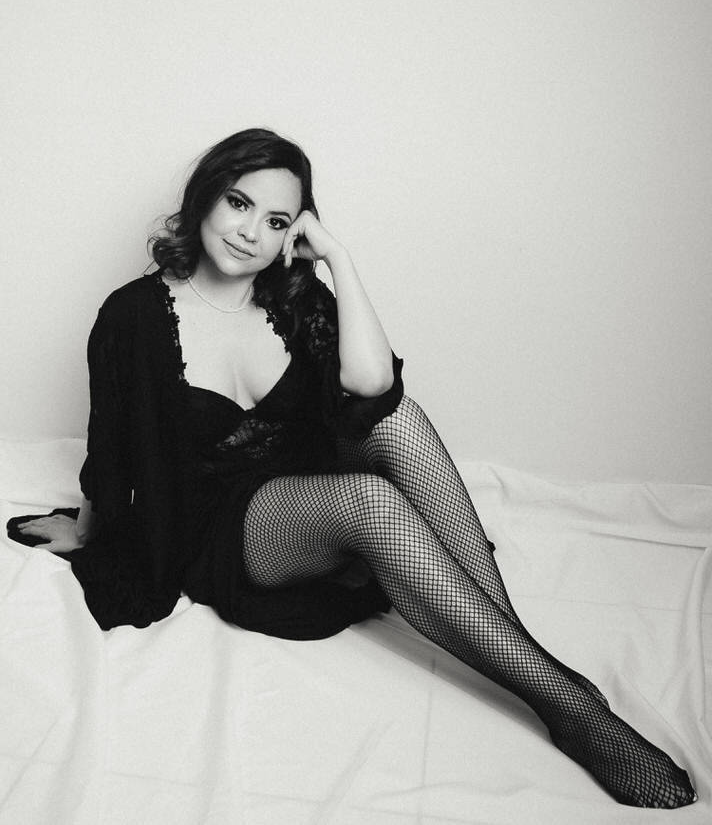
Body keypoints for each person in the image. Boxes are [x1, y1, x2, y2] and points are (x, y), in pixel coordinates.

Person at [7, 128, 697, 809]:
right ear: (206, 196)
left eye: (277, 221)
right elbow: (110, 444)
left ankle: (525, 660)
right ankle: (569, 704)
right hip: (221, 525)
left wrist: (338, 258)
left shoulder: (291, 296)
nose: (250, 232)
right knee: (371, 500)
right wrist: (90, 531)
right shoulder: (131, 316)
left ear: (295, 232)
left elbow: (373, 386)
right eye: (239, 203)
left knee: (399, 419)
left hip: (303, 477)